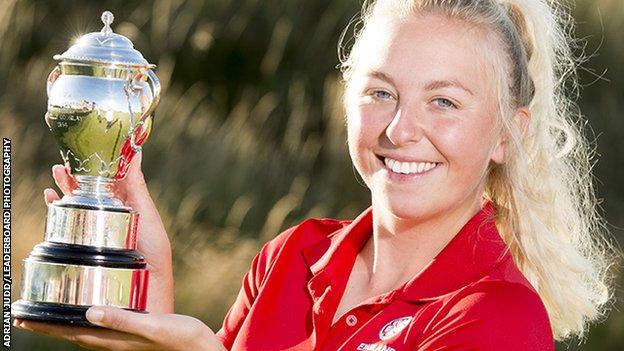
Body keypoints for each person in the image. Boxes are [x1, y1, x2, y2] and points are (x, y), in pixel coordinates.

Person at [13, 0, 614, 349]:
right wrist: (154, 290)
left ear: (510, 132)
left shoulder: (498, 319)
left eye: (444, 102)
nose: (400, 130)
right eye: (381, 92)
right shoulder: (290, 257)